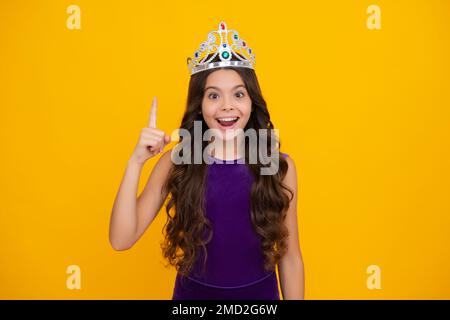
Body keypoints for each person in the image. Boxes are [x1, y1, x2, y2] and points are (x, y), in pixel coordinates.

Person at [109, 21, 304, 300]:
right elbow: (120, 239)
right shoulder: (177, 162)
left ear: (252, 102)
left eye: (238, 94)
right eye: (214, 95)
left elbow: (290, 257)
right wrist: (135, 163)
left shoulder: (278, 166)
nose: (227, 105)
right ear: (199, 105)